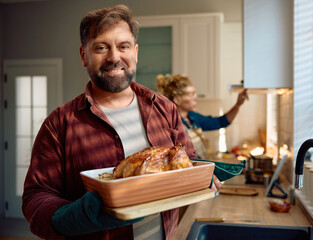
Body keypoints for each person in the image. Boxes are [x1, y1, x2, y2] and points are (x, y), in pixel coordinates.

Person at [22, 5, 221, 240]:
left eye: (123, 46)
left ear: (135, 52)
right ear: (84, 55)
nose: (114, 57)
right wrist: (73, 216)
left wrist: (204, 175)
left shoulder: (164, 108)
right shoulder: (58, 124)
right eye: (101, 47)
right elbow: (36, 197)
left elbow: (188, 160)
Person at [157, 74, 249, 159]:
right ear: (177, 100)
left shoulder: (192, 117)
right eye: (191, 94)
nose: (196, 98)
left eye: (195, 93)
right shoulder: (171, 124)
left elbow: (221, 122)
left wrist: (238, 105)